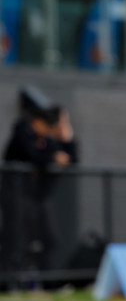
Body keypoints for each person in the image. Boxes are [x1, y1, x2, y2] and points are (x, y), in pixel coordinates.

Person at [0, 103, 78, 287]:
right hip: (15, 196)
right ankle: (8, 282)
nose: (48, 131)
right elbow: (33, 155)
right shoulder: (22, 132)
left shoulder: (44, 139)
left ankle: (48, 282)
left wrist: (68, 139)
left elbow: (70, 159)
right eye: (47, 126)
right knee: (14, 239)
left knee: (47, 239)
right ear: (37, 122)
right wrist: (51, 158)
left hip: (36, 198)